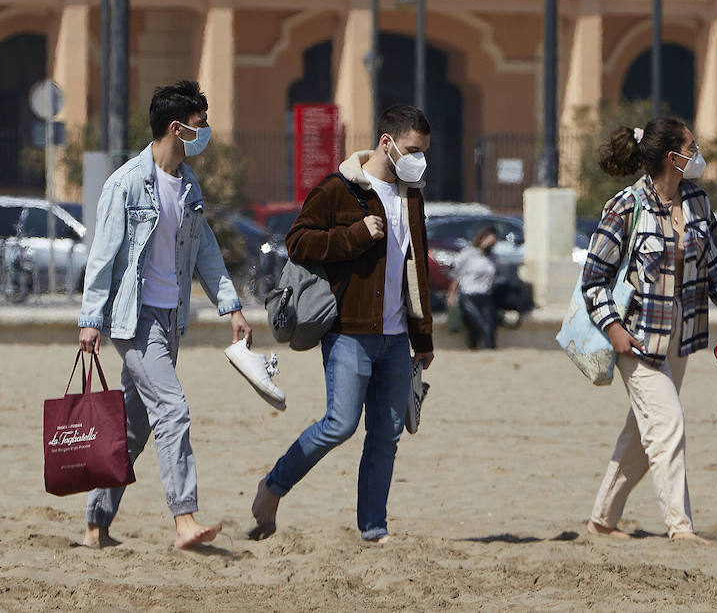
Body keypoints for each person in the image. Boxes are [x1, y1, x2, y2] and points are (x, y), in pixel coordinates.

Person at [76, 80, 252, 551]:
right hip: (132, 321)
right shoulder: (126, 183)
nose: (206, 132)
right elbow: (103, 254)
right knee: (173, 410)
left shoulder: (188, 184)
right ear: (177, 128)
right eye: (200, 125)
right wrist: (91, 317)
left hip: (170, 321)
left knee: (134, 428)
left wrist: (230, 304)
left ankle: (96, 524)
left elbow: (205, 250)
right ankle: (185, 520)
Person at [249, 103, 435, 543]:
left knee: (386, 435)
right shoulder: (339, 189)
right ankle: (273, 488)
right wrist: (355, 235)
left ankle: (373, 528)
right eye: (412, 149)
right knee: (339, 423)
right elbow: (297, 242)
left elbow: (417, 271)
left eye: (424, 151)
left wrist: (422, 337)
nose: (419, 159)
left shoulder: (412, 196)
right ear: (386, 143)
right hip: (348, 332)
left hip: (395, 339)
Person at [582, 117, 717, 543]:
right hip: (637, 335)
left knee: (641, 434)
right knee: (667, 426)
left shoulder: (698, 201)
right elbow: (593, 279)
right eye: (691, 145)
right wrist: (613, 329)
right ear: (673, 156)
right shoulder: (626, 206)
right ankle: (680, 529)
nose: (698, 152)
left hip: (681, 333)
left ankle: (600, 523)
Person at [448, 225, 498, 350]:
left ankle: (489, 350)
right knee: (479, 323)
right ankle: (474, 346)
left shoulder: (493, 258)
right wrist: (452, 295)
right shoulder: (469, 253)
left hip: (485, 295)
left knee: (490, 323)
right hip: (468, 295)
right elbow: (456, 275)